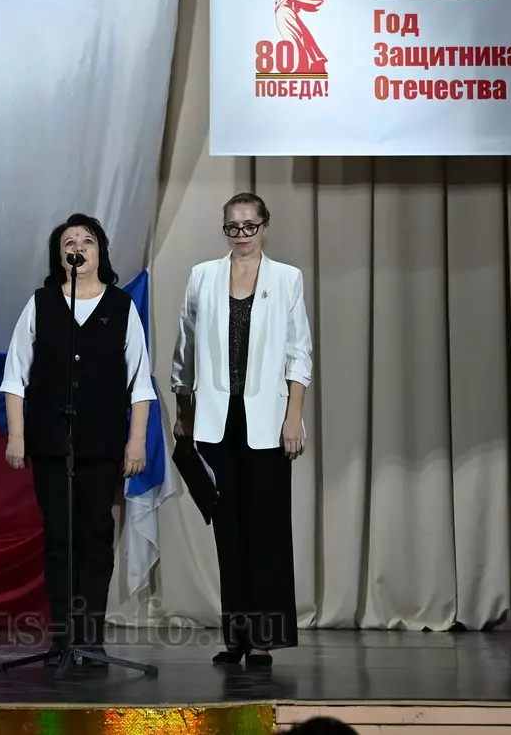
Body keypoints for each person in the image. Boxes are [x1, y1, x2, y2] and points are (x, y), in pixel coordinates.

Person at [0, 213, 154, 664]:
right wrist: (16, 435)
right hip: (51, 442)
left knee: (94, 537)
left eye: (88, 240)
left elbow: (140, 383)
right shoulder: (41, 303)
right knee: (59, 539)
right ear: (59, 254)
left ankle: (90, 639)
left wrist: (137, 441)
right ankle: (63, 639)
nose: (79, 248)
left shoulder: (121, 306)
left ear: (100, 251)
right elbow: (15, 376)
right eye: (70, 242)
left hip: (103, 444)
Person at [170, 192, 312, 668]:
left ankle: (262, 640)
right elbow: (185, 349)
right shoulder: (203, 276)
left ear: (265, 227)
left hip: (268, 423)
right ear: (225, 229)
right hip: (215, 421)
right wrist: (183, 409)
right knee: (228, 530)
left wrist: (294, 417)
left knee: (266, 530)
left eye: (251, 226)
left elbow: (299, 353)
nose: (242, 235)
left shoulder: (286, 278)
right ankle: (236, 637)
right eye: (234, 227)